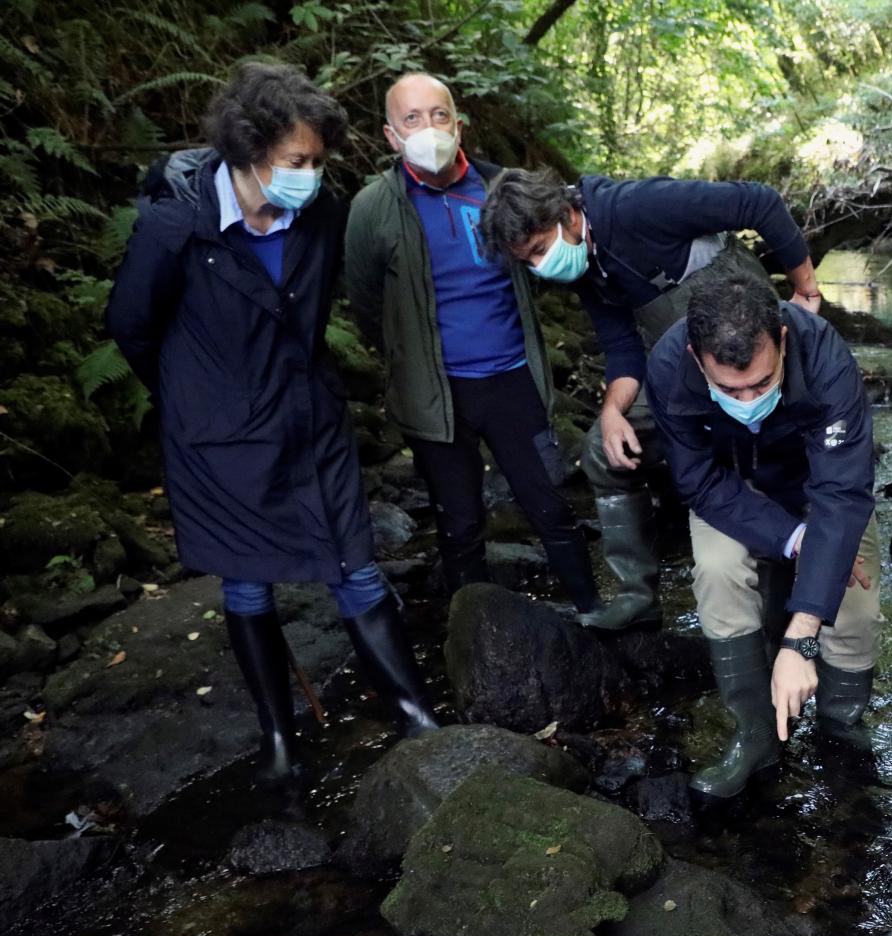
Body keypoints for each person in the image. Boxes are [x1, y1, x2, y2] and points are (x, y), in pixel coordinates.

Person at [106, 62, 438, 782]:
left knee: (354, 560)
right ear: (249, 152)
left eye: (319, 160)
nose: (310, 174)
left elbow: (315, 312)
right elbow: (131, 325)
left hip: (308, 416)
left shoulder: (319, 212)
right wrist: (197, 395)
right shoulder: (176, 223)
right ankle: (280, 743)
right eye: (297, 161)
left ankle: (414, 715)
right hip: (219, 434)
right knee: (248, 582)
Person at [479, 164, 822, 632]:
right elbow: (623, 347)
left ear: (566, 213)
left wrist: (805, 289)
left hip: (746, 351)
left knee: (756, 458)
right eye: (528, 262)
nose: (541, 266)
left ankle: (785, 603)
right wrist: (613, 412)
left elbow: (758, 202)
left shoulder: (638, 207)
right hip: (678, 363)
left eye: (540, 250)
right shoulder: (585, 266)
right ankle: (637, 595)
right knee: (601, 449)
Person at [343, 74, 602, 612]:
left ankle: (596, 619)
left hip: (513, 383)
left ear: (459, 124)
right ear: (391, 136)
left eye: (439, 115)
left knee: (552, 508)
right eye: (412, 118)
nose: (428, 127)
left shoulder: (501, 188)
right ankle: (475, 642)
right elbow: (367, 305)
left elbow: (551, 256)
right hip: (437, 398)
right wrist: (406, 364)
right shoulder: (373, 208)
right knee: (459, 526)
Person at [645, 271, 879, 800]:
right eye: (728, 389)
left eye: (761, 383)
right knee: (717, 572)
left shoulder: (825, 357)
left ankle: (841, 727)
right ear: (695, 354)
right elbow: (696, 480)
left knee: (854, 602)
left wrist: (801, 638)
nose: (746, 398)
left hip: (818, 485)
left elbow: (841, 495)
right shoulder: (667, 365)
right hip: (731, 489)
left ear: (783, 339)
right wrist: (794, 540)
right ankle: (754, 733)